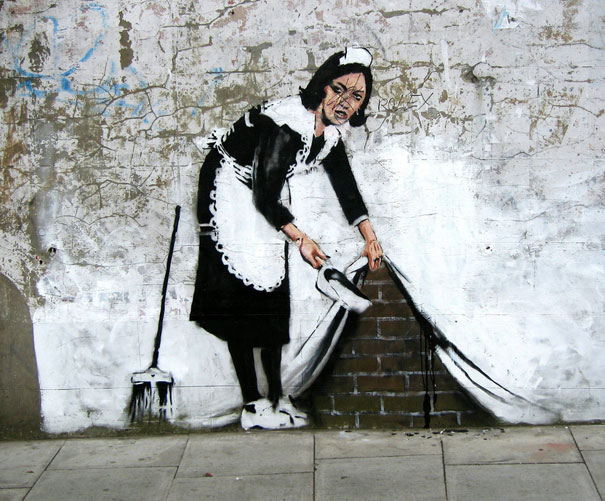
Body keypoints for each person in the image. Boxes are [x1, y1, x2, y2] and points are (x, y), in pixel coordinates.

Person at [190, 47, 383, 429]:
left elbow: (346, 187)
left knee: (272, 292)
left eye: (356, 96)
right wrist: (302, 239)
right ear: (322, 86)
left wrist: (370, 237)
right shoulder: (287, 124)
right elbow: (264, 196)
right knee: (242, 297)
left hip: (264, 192)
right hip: (229, 189)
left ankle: (277, 399)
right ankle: (252, 404)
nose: (345, 102)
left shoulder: (329, 133)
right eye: (339, 90)